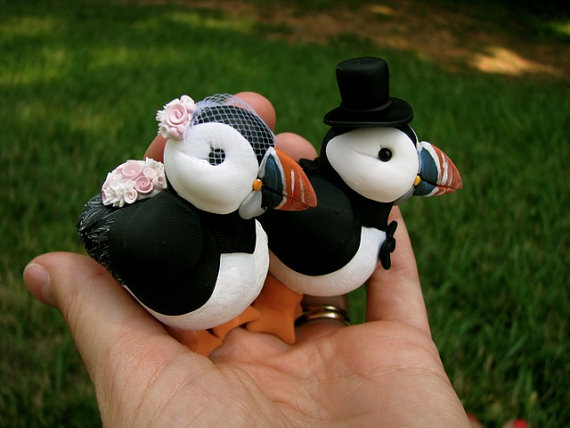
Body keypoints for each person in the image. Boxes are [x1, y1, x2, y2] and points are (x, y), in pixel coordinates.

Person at [23, 92, 470, 426]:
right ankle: (195, 332)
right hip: (182, 283)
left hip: (252, 275)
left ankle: (269, 305)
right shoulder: (171, 241)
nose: (264, 172)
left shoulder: (299, 219)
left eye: (263, 158)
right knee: (184, 266)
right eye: (220, 156)